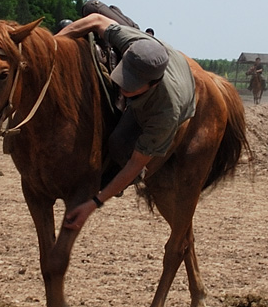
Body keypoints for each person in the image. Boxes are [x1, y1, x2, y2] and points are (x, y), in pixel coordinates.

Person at [57, 12, 196, 231]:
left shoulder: (164, 112)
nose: (123, 86)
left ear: (152, 84)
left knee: (119, 143)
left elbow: (135, 163)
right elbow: (96, 19)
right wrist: (55, 45)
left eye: (131, 84)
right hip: (153, 49)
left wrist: (95, 202)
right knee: (90, 6)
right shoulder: (134, 44)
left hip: (173, 95)